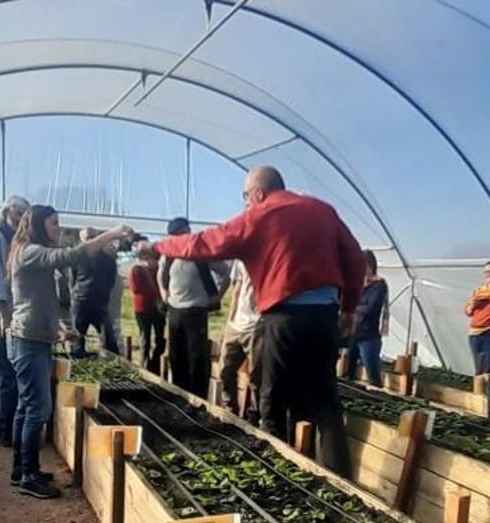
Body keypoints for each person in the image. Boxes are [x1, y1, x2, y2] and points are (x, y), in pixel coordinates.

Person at [153, 166, 366, 477]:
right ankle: (343, 483)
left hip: (283, 320)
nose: (247, 204)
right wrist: (347, 309)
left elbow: (204, 243)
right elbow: (355, 259)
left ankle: (277, 478)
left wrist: (159, 246)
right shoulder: (322, 210)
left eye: (246, 197)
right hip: (324, 318)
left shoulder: (261, 215)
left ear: (257, 193)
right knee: (326, 404)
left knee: (273, 401)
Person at [6, 205, 132, 498]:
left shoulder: (30, 252)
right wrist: (110, 235)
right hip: (28, 341)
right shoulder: (29, 250)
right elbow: (70, 255)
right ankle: (28, 474)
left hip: (35, 338)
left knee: (27, 407)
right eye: (54, 223)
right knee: (38, 408)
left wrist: (61, 328)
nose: (58, 228)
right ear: (38, 224)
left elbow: (41, 299)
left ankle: (22, 469)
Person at [159, 217, 227, 397]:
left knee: (197, 358)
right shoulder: (169, 254)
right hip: (175, 311)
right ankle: (179, 395)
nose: (176, 238)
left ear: (187, 231)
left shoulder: (201, 253)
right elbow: (161, 275)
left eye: (180, 234)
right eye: (173, 236)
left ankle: (198, 398)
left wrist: (218, 296)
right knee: (176, 355)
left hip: (196, 310)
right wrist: (164, 293)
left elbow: (226, 272)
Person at [0, 195, 29, 445]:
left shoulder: (7, 236)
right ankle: (8, 433)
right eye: (19, 213)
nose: (22, 218)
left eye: (25, 214)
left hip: (0, 315)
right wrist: (4, 317)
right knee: (8, 375)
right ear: (8, 212)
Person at [70, 227, 121, 356]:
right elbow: (72, 281)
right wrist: (75, 296)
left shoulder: (108, 260)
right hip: (80, 303)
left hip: (100, 305)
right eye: (88, 238)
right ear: (82, 239)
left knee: (109, 342)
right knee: (77, 341)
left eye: (93, 237)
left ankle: (112, 367)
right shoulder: (77, 259)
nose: (91, 241)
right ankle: (77, 368)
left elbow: (110, 281)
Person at [219, 260, 260, 417]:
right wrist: (229, 322)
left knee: (257, 376)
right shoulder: (240, 260)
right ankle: (230, 411)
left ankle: (255, 416)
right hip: (237, 324)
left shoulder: (271, 255)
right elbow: (236, 289)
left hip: (257, 325)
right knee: (225, 370)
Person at [347, 250, 390, 385]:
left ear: (370, 266)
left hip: (369, 337)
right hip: (353, 334)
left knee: (373, 376)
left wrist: (354, 307)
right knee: (350, 374)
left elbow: (372, 308)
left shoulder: (379, 285)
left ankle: (378, 398)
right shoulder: (357, 284)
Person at [128, 243, 165, 374]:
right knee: (145, 339)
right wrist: (155, 293)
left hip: (159, 309)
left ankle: (154, 365)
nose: (153, 261)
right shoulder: (137, 270)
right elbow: (135, 288)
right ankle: (144, 367)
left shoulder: (159, 271)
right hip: (143, 309)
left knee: (161, 340)